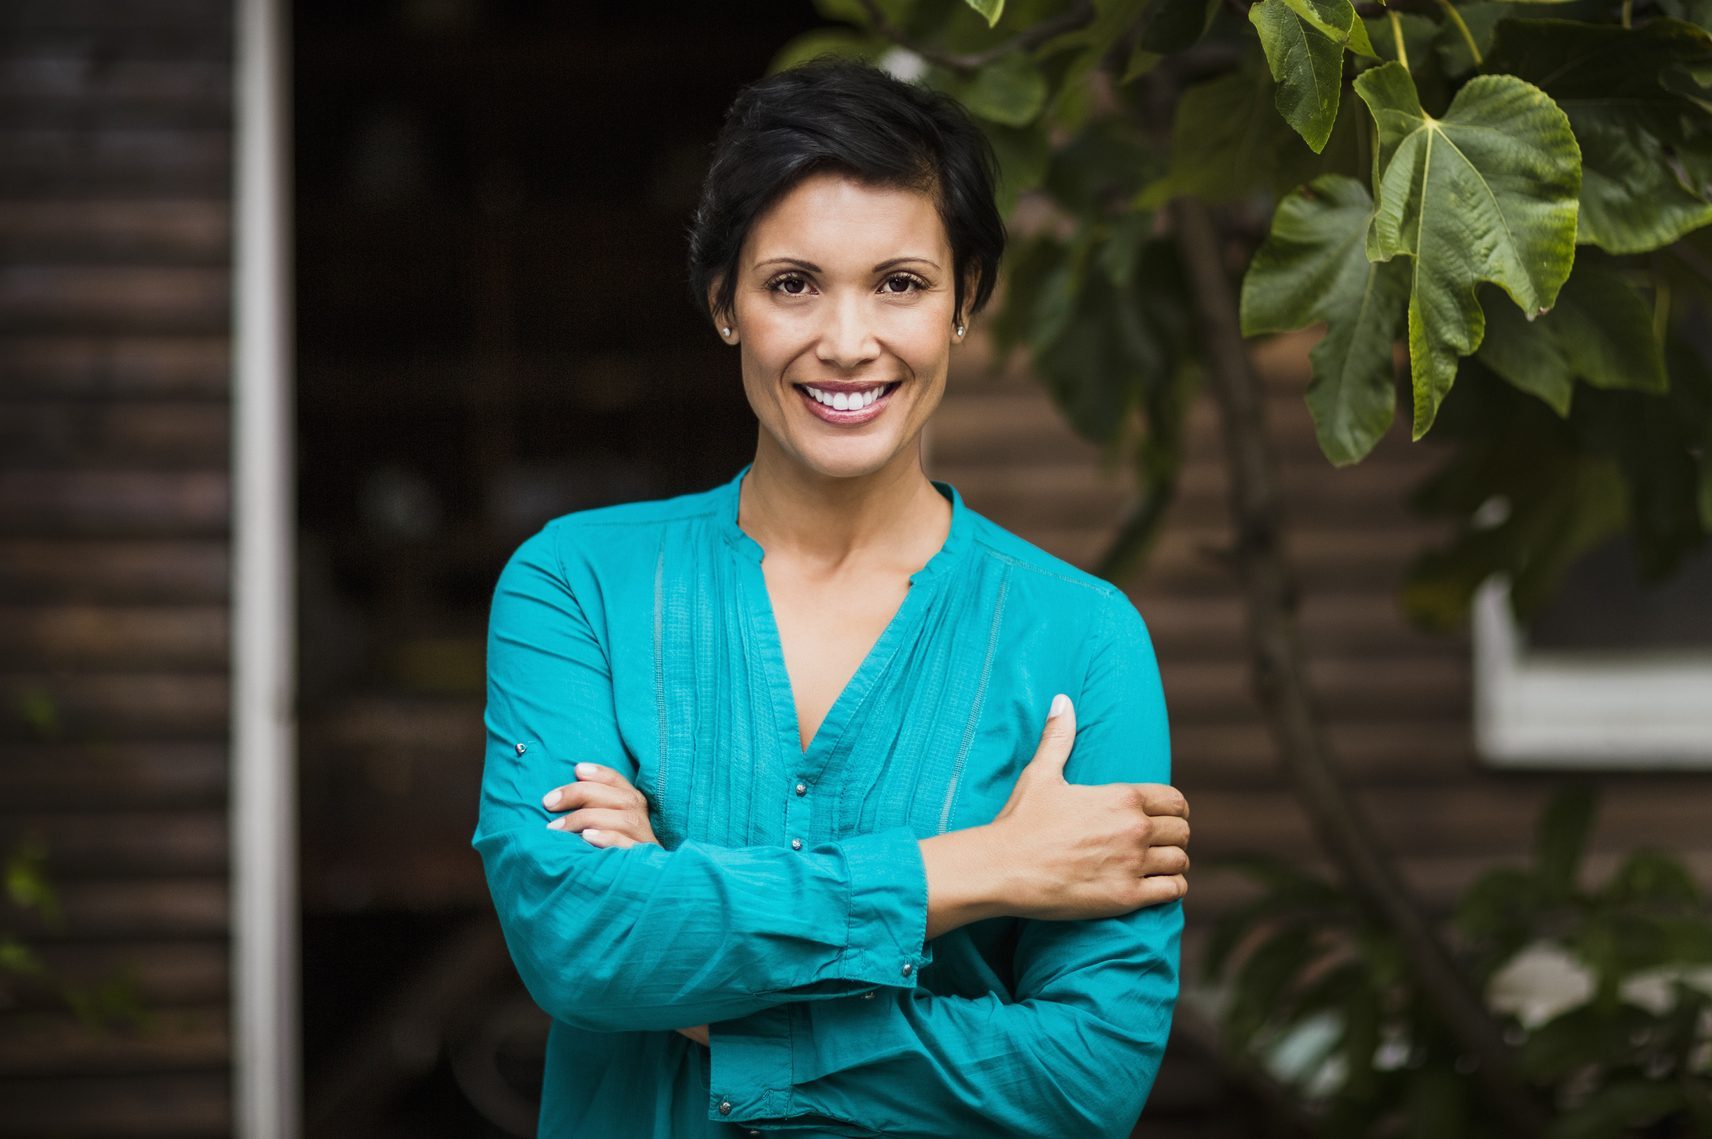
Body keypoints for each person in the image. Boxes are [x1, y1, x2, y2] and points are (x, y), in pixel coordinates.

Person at [473, 58, 1191, 1138]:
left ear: (965, 304)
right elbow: (581, 942)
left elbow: (1088, 1073)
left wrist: (704, 956)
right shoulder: (574, 585)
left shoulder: (1082, 639)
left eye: (899, 283)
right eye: (792, 283)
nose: (846, 342)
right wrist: (983, 865)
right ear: (725, 305)